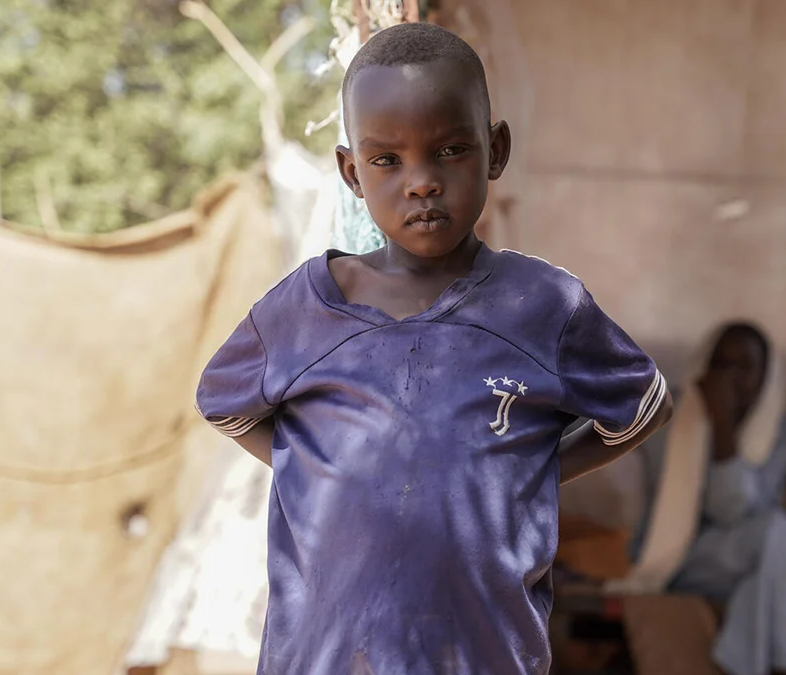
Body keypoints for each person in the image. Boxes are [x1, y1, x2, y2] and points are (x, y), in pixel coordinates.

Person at [194, 23, 673, 675]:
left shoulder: (541, 305)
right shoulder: (303, 310)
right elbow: (223, 403)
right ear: (351, 173)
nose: (421, 182)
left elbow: (644, 408)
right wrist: (313, 467)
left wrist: (525, 473)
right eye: (387, 161)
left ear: (495, 150)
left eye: (449, 150)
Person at [605, 322, 786, 675]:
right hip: (674, 563)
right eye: (721, 364)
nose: (730, 377)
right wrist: (720, 424)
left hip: (744, 563)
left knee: (759, 587)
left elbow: (737, 514)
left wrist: (723, 428)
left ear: (765, 377)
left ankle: (748, 665)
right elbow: (732, 513)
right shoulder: (668, 421)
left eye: (744, 367)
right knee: (774, 532)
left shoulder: (784, 437)